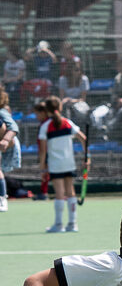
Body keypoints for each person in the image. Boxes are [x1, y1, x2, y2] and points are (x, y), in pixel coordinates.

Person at [38, 95, 87, 232]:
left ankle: (59, 225)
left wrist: (42, 167)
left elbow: (43, 150)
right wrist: (87, 157)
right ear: (60, 107)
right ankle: (72, 224)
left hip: (55, 165)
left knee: (59, 193)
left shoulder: (45, 126)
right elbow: (83, 138)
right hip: (69, 163)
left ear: (46, 110)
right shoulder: (67, 122)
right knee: (70, 192)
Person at [0, 87, 22, 213]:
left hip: (6, 143)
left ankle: (2, 198)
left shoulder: (2, 112)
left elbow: (13, 127)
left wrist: (5, 140)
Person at [57, 57, 91, 130]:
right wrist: (66, 101)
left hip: (79, 104)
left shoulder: (84, 79)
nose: (78, 72)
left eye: (79, 70)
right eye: (76, 70)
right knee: (65, 109)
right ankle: (66, 128)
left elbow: (83, 99)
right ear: (70, 70)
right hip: (66, 104)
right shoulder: (62, 79)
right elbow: (61, 98)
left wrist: (72, 101)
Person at [2, 43, 26, 108]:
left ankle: (14, 107)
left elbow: (20, 76)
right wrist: (4, 80)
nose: (7, 54)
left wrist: (10, 80)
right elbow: (5, 75)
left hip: (19, 82)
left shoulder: (20, 62)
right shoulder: (7, 62)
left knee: (13, 88)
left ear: (12, 53)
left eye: (8, 53)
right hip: (8, 82)